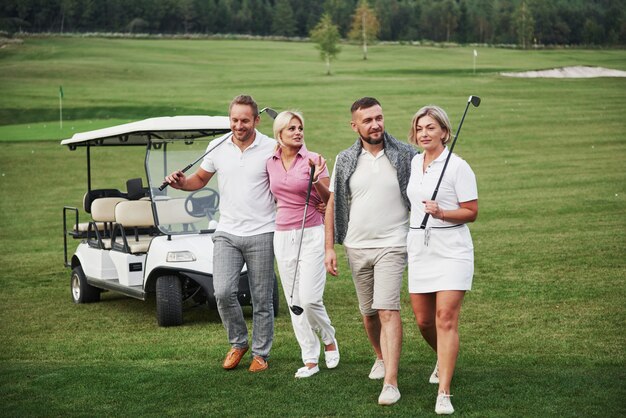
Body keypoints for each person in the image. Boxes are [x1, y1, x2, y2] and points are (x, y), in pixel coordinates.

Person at [164, 95, 276, 373]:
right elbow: (199, 180)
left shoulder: (271, 147)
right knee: (223, 292)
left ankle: (261, 354)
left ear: (256, 120)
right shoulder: (217, 146)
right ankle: (238, 343)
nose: (239, 125)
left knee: (262, 298)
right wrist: (181, 184)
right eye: (235, 120)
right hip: (227, 231)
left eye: (245, 120)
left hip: (263, 232)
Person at [324, 97, 417, 405]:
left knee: (388, 309)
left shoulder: (406, 154)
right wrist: (330, 247)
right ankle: (379, 356)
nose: (375, 124)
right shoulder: (345, 158)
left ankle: (391, 381)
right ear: (355, 125)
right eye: (368, 120)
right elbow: (333, 204)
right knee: (369, 312)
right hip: (356, 245)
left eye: (379, 117)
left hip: (393, 243)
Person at [406, 105, 478, 415]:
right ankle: (444, 356)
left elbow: (472, 211)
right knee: (423, 321)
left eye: (431, 128)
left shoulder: (458, 166)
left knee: (445, 319)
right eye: (420, 128)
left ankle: (444, 392)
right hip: (420, 249)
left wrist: (443, 212)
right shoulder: (414, 162)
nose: (424, 133)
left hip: (452, 249)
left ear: (445, 133)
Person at [266, 110, 339, 378]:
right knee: (294, 301)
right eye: (291, 129)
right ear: (280, 135)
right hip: (283, 235)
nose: (298, 132)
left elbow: (328, 199)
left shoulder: (314, 159)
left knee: (309, 299)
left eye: (300, 128)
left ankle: (328, 337)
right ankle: (310, 358)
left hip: (312, 233)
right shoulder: (270, 162)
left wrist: (317, 178)